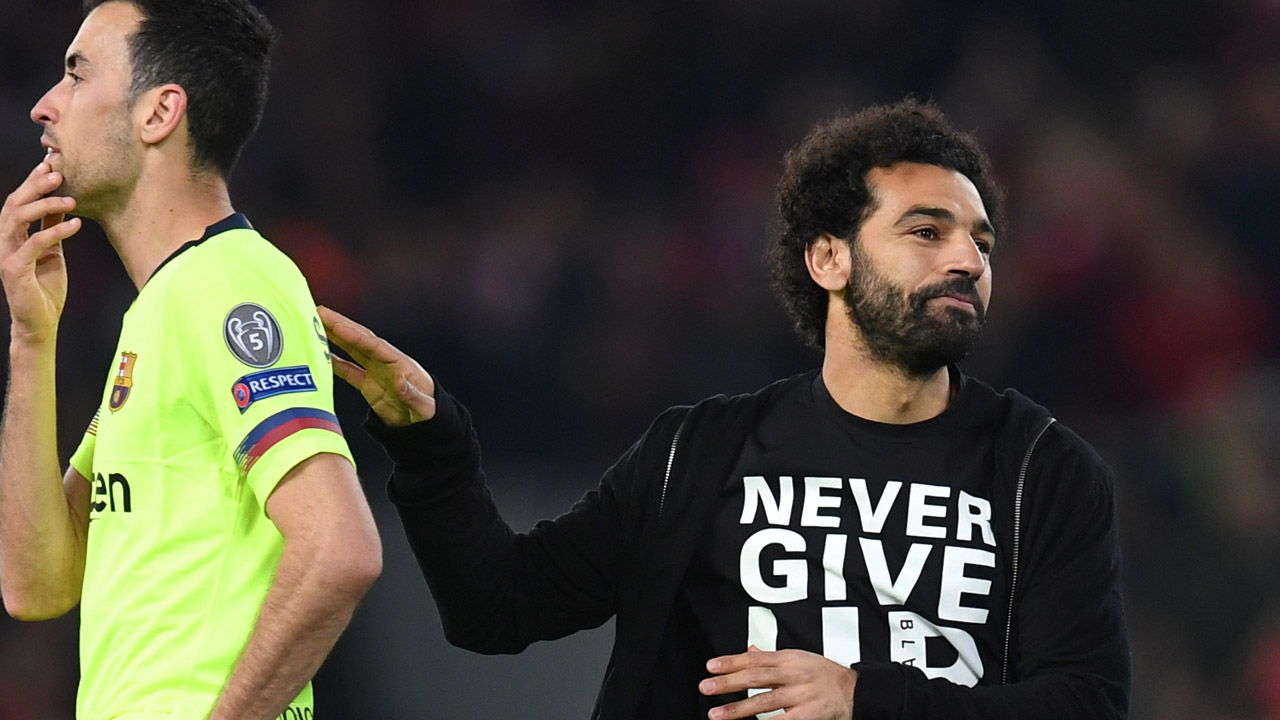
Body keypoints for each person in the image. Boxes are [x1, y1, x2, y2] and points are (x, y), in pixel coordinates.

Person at [320, 99, 1130, 719]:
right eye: (927, 231)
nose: (967, 260)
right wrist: (430, 442)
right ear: (829, 258)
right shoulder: (700, 454)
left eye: (982, 243)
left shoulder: (1043, 470)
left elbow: (1086, 703)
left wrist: (864, 699)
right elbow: (497, 608)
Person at [0, 1, 382, 718]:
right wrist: (31, 338)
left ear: (159, 113)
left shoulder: (227, 282)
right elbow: (37, 585)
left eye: (77, 75)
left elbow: (340, 547)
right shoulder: (163, 304)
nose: (44, 106)